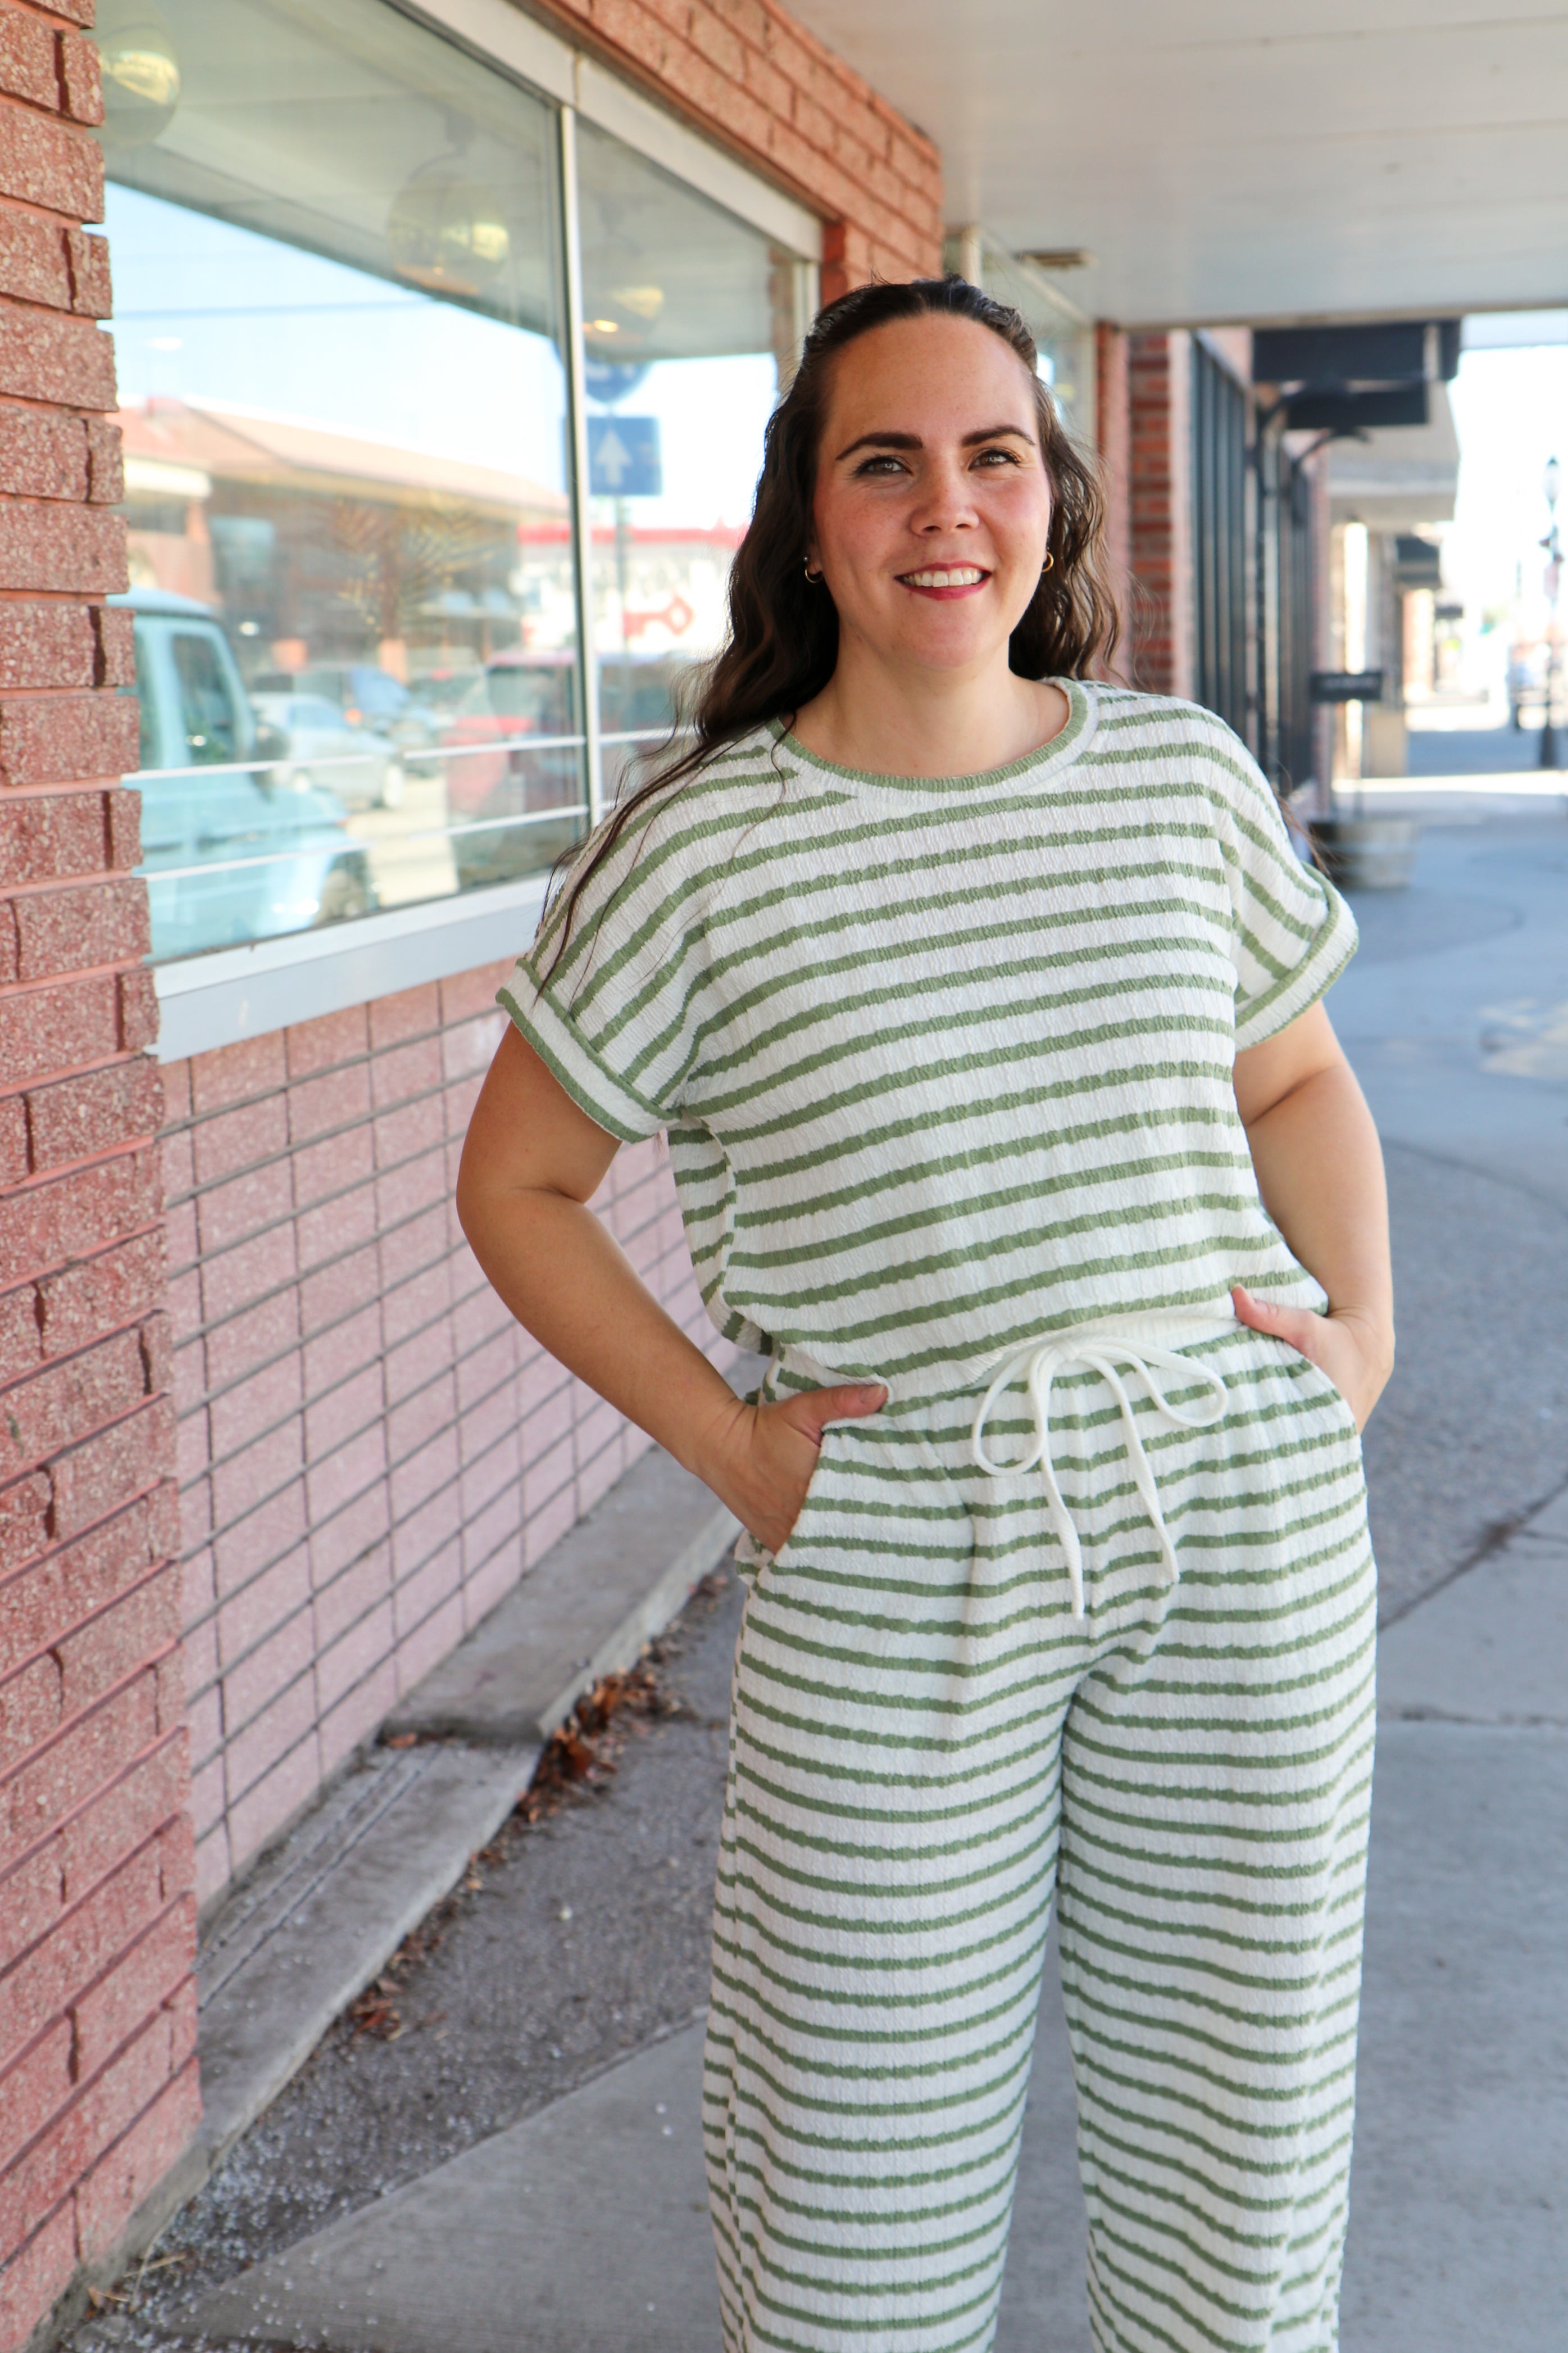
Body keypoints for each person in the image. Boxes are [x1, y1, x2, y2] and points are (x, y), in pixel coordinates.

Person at [457, 276, 1392, 2353]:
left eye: (993, 455)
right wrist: (736, 1457)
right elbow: (514, 1186)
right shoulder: (700, 853)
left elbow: (1300, 1074)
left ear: (1049, 500)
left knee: (1239, 2200)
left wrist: (1365, 1334)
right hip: (897, 1539)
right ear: (810, 518)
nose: (944, 506)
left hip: (1235, 1518)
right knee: (850, 2221)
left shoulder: (1177, 780)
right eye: (885, 459)